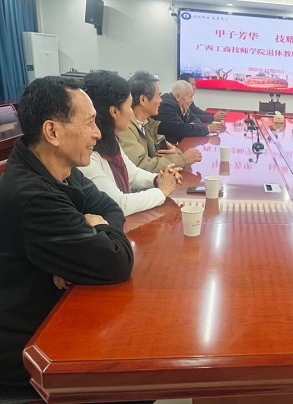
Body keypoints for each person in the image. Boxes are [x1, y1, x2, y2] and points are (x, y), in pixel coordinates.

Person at [0, 77, 133, 394]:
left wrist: (89, 231)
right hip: (33, 354)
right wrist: (93, 231)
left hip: (59, 315)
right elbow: (117, 262)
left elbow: (111, 207)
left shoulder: (59, 169)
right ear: (53, 132)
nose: (97, 133)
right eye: (89, 122)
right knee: (136, 380)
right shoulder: (34, 197)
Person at [79, 71, 181, 216]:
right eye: (129, 106)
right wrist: (162, 191)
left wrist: (158, 179)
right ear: (114, 112)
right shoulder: (87, 153)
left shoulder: (110, 140)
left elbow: (132, 174)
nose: (132, 113)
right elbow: (118, 204)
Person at [118, 71, 202, 173]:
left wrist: (178, 154)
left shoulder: (148, 124)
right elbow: (141, 166)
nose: (161, 100)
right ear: (143, 99)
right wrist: (182, 159)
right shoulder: (125, 128)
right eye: (158, 96)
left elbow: (164, 152)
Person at [155, 80, 222, 144]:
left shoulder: (181, 104)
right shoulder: (166, 105)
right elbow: (181, 130)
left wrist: (190, 126)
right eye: (190, 97)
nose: (191, 100)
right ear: (177, 96)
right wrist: (207, 129)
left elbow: (195, 118)